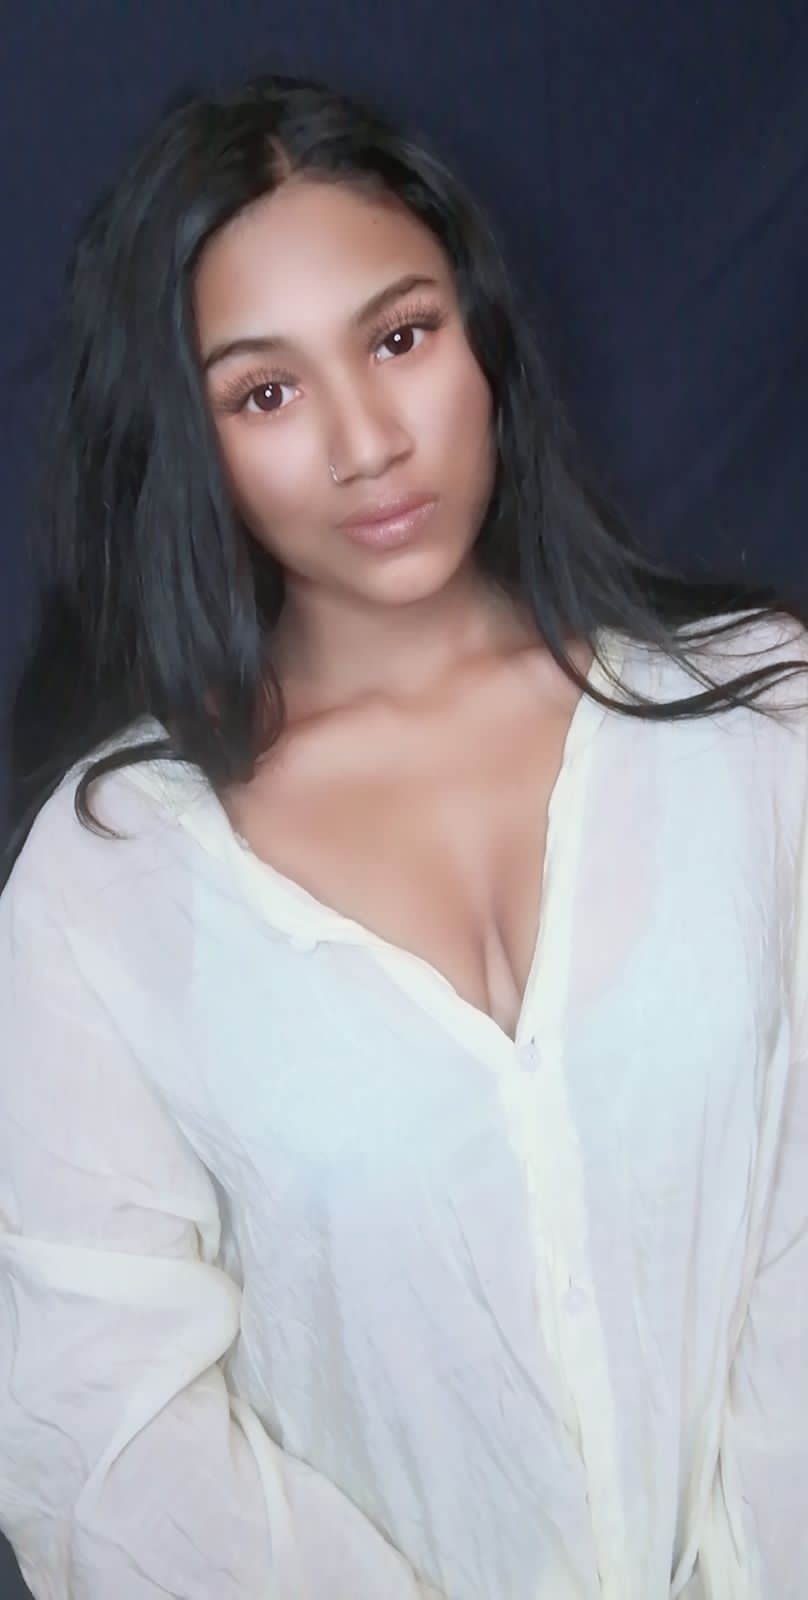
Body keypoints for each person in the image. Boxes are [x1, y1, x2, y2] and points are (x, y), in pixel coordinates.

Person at [1, 69, 807, 1600]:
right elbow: (103, 1433)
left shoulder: (766, 724)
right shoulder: (105, 887)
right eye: (266, 392)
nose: (368, 440)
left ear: (480, 336)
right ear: (191, 441)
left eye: (398, 337)